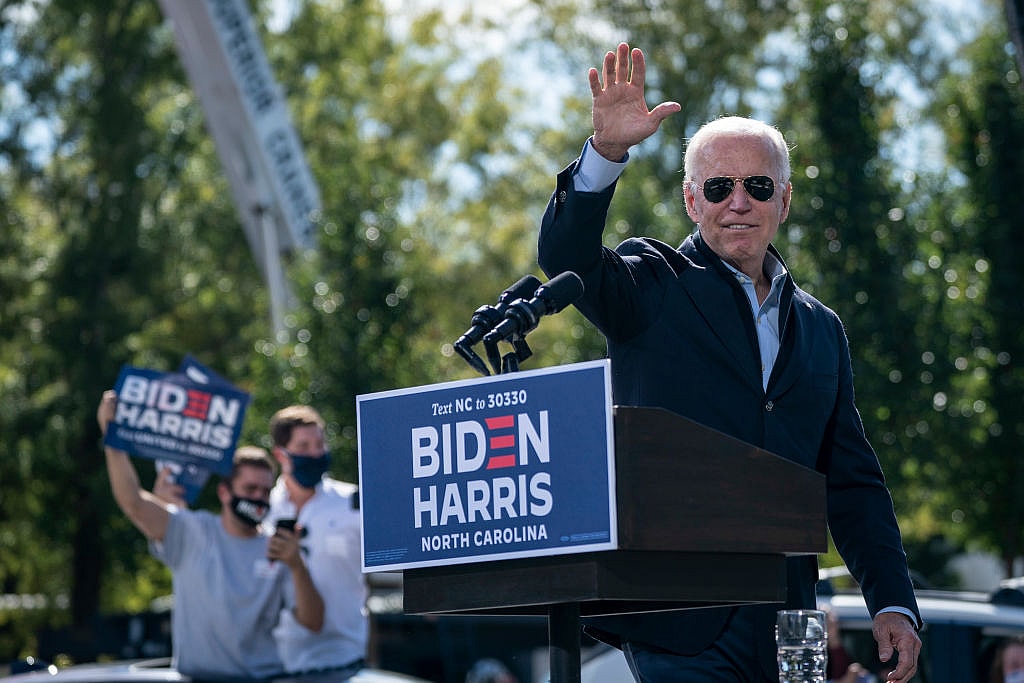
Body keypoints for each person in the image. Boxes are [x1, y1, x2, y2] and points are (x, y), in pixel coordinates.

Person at [536, 42, 922, 682]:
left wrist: (892, 601)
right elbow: (566, 259)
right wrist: (604, 154)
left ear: (784, 201)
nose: (738, 202)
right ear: (693, 201)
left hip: (796, 619)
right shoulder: (651, 284)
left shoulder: (822, 329)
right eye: (718, 187)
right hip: (680, 614)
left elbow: (853, 484)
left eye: (757, 186)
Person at [96, 390, 324, 681]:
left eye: (265, 491)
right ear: (224, 492)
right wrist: (112, 436)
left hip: (261, 679)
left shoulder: (280, 547)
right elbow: (133, 502)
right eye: (250, 489)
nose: (258, 498)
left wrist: (297, 566)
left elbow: (313, 622)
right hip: (197, 678)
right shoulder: (191, 531)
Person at [263, 405, 369, 679]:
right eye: (304, 446)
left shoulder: (354, 503)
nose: (315, 453)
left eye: (320, 444)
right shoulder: (263, 510)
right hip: (275, 663)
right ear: (280, 454)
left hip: (343, 659)